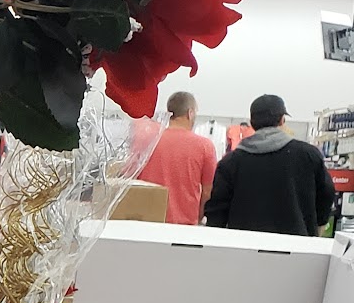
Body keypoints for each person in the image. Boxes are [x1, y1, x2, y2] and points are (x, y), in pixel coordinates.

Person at [205, 94, 336, 237]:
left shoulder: (230, 162)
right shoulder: (308, 155)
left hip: (244, 245)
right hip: (296, 245)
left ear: (252, 123)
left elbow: (216, 212)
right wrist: (315, 228)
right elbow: (327, 194)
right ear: (282, 120)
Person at [142, 90, 217, 226]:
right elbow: (207, 191)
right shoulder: (205, 146)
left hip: (148, 220)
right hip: (184, 224)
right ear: (190, 113)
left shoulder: (148, 141)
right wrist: (199, 217)